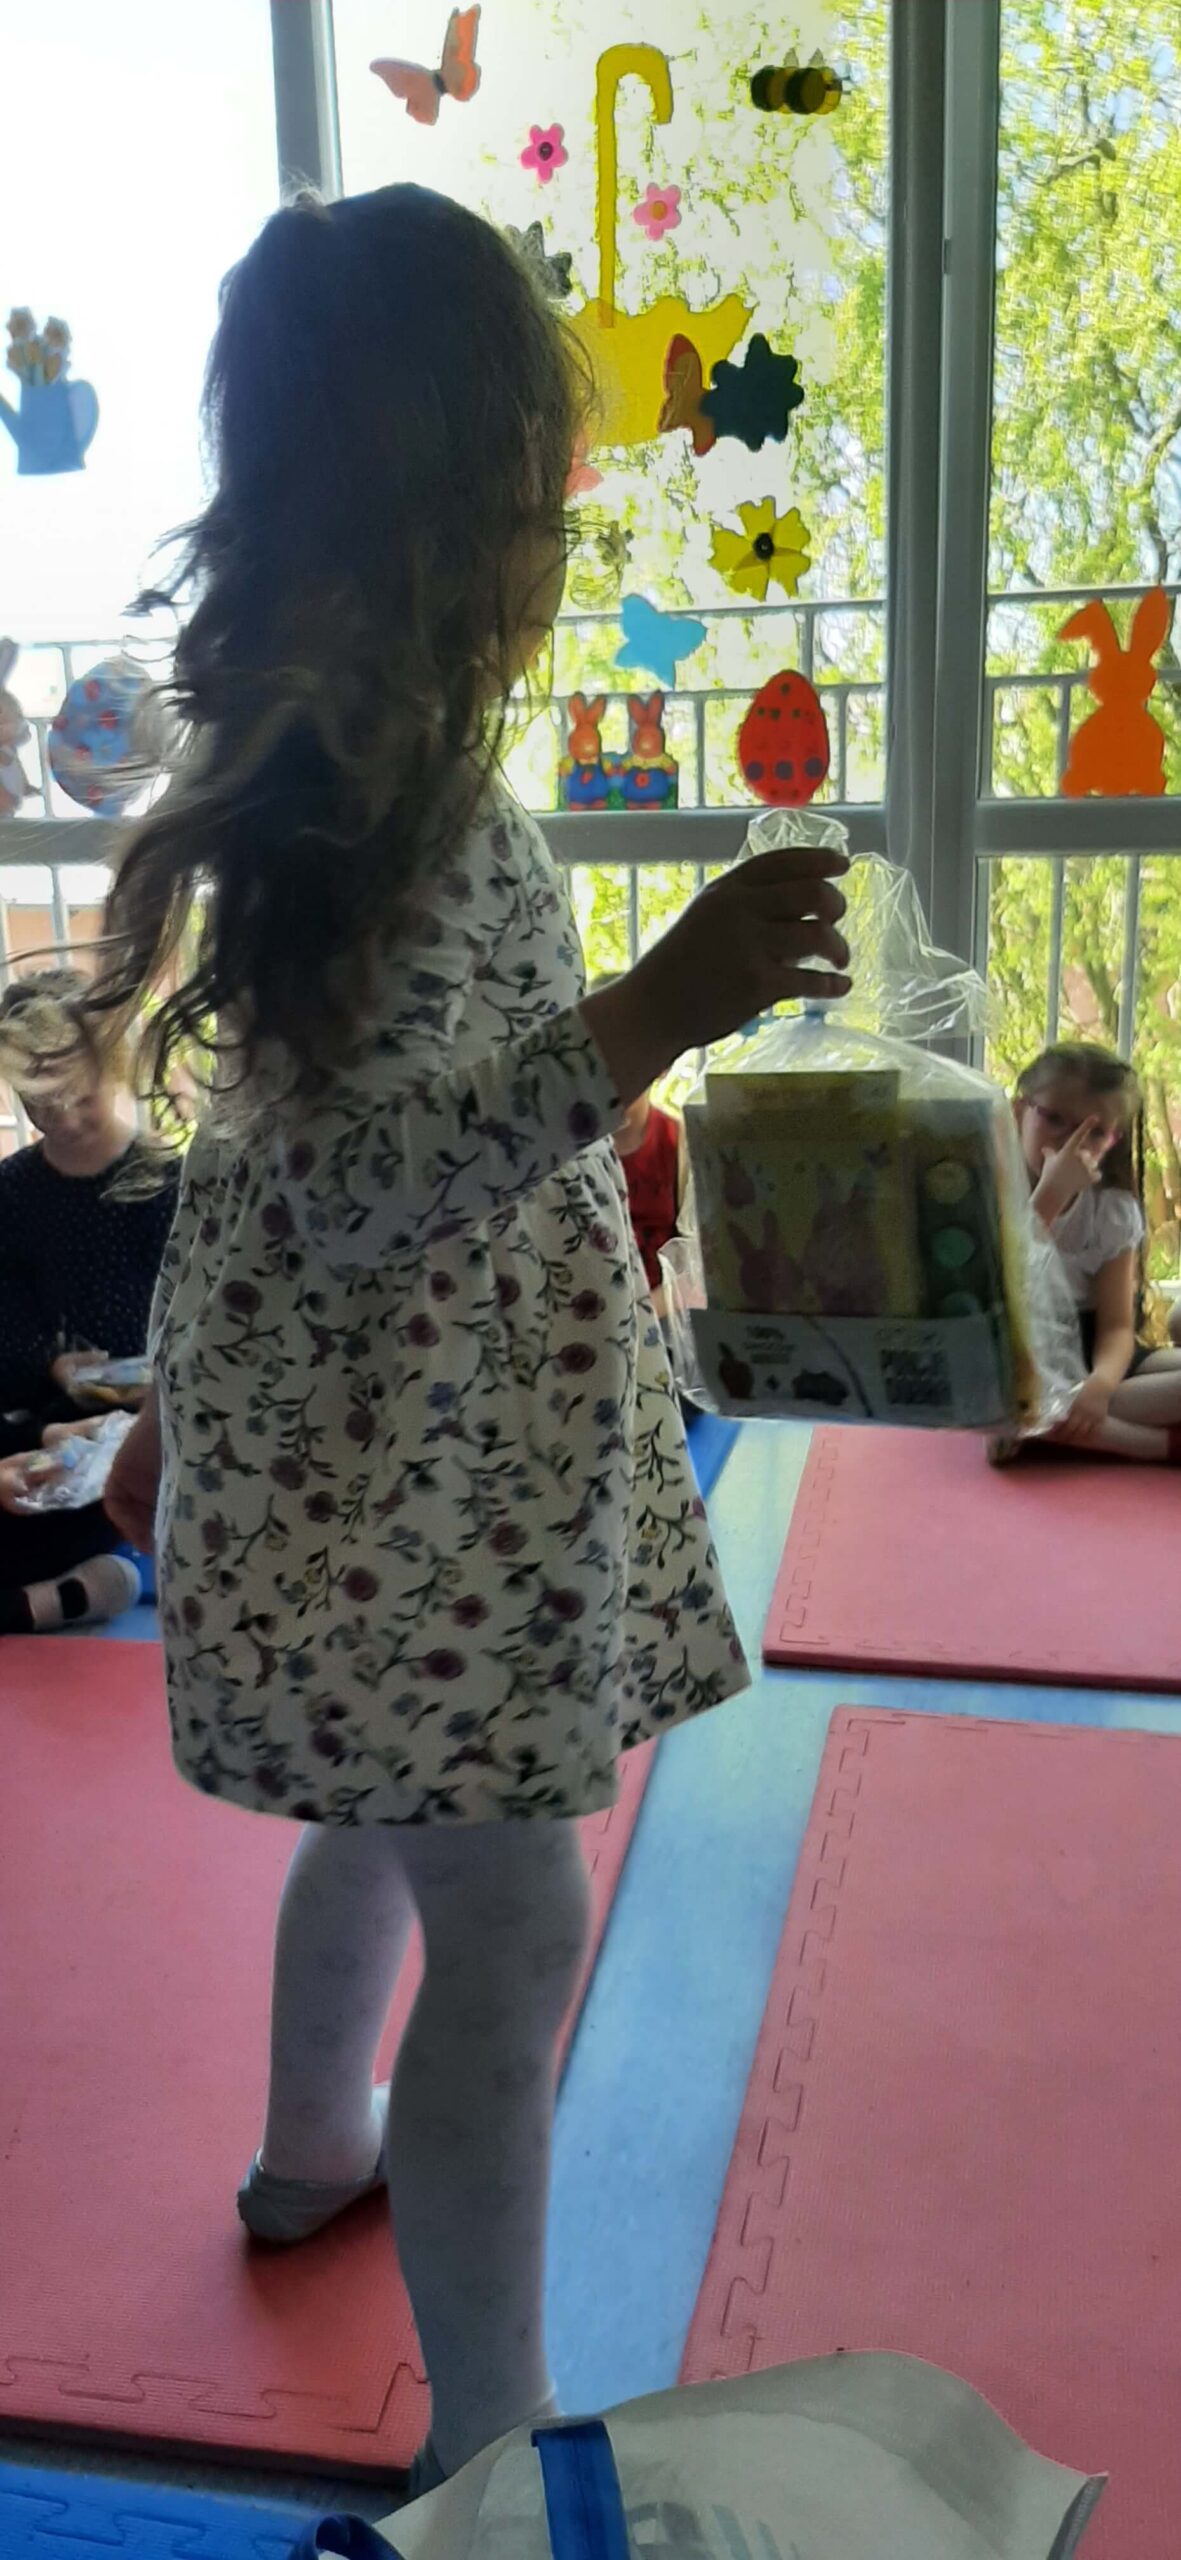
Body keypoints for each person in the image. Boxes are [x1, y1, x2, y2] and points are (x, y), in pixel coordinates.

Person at [91, 185, 851, 2498]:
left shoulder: (359, 742)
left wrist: (170, 1398)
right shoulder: (356, 778)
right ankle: (491, 2452)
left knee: (392, 1813)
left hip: (406, 1459)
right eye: (529, 470)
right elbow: (344, 1173)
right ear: (427, 480)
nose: (554, 520)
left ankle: (310, 2145)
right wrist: (650, 1008)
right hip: (406, 1476)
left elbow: (267, 1142)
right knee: (509, 1921)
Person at [0, 969, 177, 1627]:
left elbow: (199, 1320)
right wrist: (50, 1365)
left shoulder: (169, 1183)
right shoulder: (12, 1192)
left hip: (150, 1427)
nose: (61, 1119)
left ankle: (70, 1590)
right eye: (38, 1103)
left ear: (113, 1067)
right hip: (48, 1426)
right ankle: (63, 1597)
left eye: (76, 1097)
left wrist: (152, 1384)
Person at [1011, 1040, 1181, 1460]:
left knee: (1038, 1412)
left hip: (1100, 1358)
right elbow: (994, 1290)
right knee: (1018, 1403)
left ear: (1112, 1140)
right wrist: (1047, 1201)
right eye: (1055, 1119)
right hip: (1023, 1362)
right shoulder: (982, 1190)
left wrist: (1100, 1387)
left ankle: (1066, 1427)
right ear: (1018, 1111)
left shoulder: (1110, 1210)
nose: (1073, 1142)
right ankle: (1158, 1445)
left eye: (1095, 1132)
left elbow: (1117, 1328)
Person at [590, 974, 685, 1317]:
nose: (612, 1064)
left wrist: (641, 1317)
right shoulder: (566, 1151)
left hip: (661, 1322)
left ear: (663, 1063)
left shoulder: (679, 1144)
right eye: (600, 1049)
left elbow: (698, 1265)